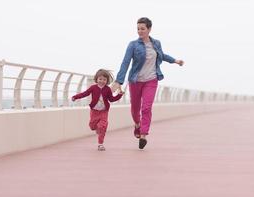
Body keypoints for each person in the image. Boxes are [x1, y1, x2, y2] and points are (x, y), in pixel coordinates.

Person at [111, 17, 184, 150]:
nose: (140, 31)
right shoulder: (132, 45)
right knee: (135, 109)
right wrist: (118, 81)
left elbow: (162, 55)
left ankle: (143, 135)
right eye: (138, 29)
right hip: (135, 81)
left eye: (143, 29)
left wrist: (175, 60)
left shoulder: (156, 43)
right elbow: (125, 62)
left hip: (151, 80)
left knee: (146, 108)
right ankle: (137, 125)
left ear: (149, 29)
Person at [72, 69, 124, 151]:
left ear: (107, 81)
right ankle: (97, 129)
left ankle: (100, 144)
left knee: (102, 126)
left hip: (104, 111)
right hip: (94, 111)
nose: (102, 81)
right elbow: (85, 93)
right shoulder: (93, 87)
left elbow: (111, 99)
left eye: (104, 79)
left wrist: (119, 95)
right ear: (96, 79)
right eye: (100, 79)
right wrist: (75, 97)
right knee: (92, 126)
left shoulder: (107, 89)